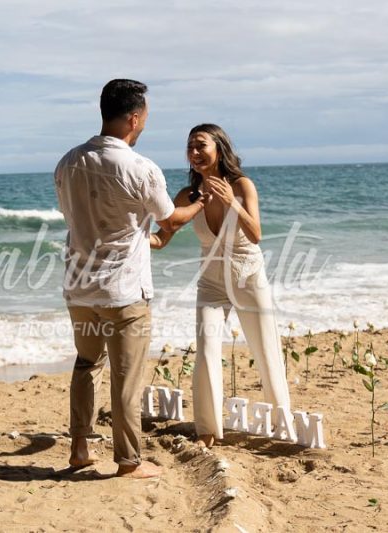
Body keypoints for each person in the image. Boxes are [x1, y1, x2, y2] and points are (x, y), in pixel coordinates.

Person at [54, 80, 207, 478]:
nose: (144, 126)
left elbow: (81, 218)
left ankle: (80, 449)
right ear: (134, 117)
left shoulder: (68, 161)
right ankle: (128, 462)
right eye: (144, 119)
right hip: (123, 292)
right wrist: (198, 203)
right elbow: (170, 218)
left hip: (79, 286)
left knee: (86, 364)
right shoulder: (140, 167)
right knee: (127, 375)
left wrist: (145, 234)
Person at [150, 123, 291, 448]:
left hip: (248, 276)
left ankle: (281, 423)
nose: (194, 153)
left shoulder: (242, 185)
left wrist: (232, 202)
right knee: (207, 349)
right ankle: (208, 430)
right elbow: (163, 237)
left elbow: (256, 234)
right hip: (211, 281)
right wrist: (131, 239)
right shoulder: (188, 196)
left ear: (219, 148)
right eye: (190, 147)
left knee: (266, 349)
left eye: (200, 145)